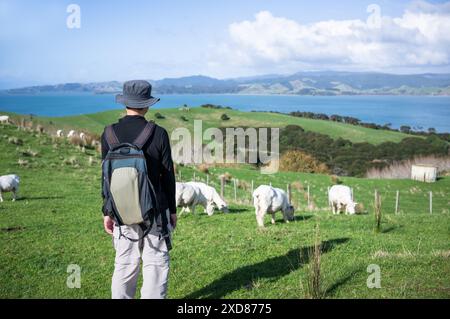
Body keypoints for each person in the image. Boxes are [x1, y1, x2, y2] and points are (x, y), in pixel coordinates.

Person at [101, 80, 177, 299]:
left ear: (124, 103)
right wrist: (172, 209)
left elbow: (105, 177)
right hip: (156, 209)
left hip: (121, 211)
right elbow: (168, 175)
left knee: (124, 263)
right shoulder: (159, 133)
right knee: (155, 264)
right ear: (147, 105)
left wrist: (107, 211)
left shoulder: (108, 134)